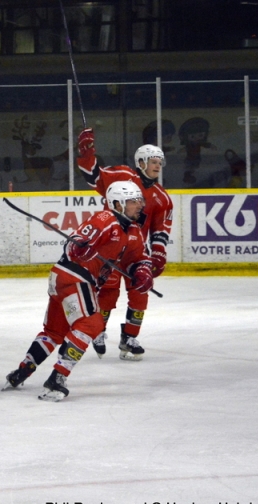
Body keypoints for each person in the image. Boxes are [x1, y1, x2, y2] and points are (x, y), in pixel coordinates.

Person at [5, 181, 154, 401]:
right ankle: (57, 378)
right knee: (92, 323)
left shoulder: (133, 231)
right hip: (74, 276)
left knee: (54, 332)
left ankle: (22, 371)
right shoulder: (105, 219)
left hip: (65, 279)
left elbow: (139, 259)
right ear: (117, 204)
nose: (140, 205)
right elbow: (73, 244)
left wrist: (142, 272)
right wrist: (79, 247)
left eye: (140, 200)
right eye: (133, 201)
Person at [76, 128, 174, 361]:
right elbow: (93, 176)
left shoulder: (162, 197)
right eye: (153, 161)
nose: (158, 166)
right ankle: (98, 330)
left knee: (140, 291)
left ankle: (129, 338)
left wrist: (158, 254)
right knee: (107, 292)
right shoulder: (121, 175)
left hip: (135, 250)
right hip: (110, 246)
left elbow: (160, 230)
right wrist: (87, 153)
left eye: (160, 162)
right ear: (141, 162)